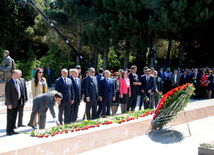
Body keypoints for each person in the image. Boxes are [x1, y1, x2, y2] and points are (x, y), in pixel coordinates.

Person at [5, 70, 21, 135]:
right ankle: (8, 130)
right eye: (17, 74)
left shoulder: (18, 81)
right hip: (11, 103)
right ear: (13, 74)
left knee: (14, 117)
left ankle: (12, 129)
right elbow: (7, 94)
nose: (18, 75)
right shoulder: (9, 82)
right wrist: (9, 104)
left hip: (17, 102)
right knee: (10, 117)